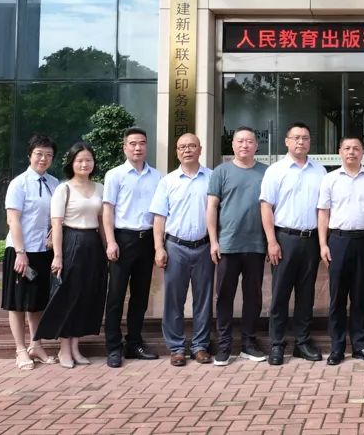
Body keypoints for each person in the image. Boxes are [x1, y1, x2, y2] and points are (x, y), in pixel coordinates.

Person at [33, 141, 108, 368]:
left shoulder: (100, 187)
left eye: (88, 160)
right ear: (72, 163)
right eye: (80, 160)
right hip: (71, 242)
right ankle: (64, 349)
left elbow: (102, 222)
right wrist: (58, 256)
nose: (84, 164)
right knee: (68, 296)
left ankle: (75, 347)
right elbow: (56, 225)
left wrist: (107, 246)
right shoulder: (63, 189)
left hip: (92, 244)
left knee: (85, 296)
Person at [316, 135, 364, 366]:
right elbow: (323, 213)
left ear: (363, 152)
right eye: (347, 148)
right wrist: (323, 244)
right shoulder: (330, 179)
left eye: (356, 148)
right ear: (340, 152)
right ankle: (337, 348)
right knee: (337, 297)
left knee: (359, 296)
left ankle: (360, 346)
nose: (351, 152)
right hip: (338, 241)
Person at [260, 122, 327, 366]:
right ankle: (277, 344)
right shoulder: (275, 171)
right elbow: (266, 206)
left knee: (306, 294)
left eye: (305, 138)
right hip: (284, 239)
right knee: (280, 294)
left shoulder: (320, 171)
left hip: (311, 240)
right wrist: (271, 241)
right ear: (287, 141)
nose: (301, 142)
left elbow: (323, 209)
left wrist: (323, 242)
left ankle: (302, 342)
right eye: (296, 137)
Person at [150, 133, 213, 367]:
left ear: (200, 149)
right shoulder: (167, 181)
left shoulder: (212, 178)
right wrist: (159, 248)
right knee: (174, 300)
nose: (187, 150)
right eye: (182, 147)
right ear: (177, 152)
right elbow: (159, 217)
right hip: (175, 246)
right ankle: (176, 347)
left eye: (192, 146)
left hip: (204, 246)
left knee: (203, 299)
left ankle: (200, 346)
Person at [207, 126, 269, 366]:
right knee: (224, 296)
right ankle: (224, 345)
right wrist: (214, 240)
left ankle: (248, 343)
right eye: (240, 141)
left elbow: (271, 208)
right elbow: (212, 207)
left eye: (249, 141)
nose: (245, 145)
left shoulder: (266, 172)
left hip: (256, 244)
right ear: (232, 145)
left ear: (256, 145)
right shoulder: (221, 172)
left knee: (253, 296)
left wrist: (270, 241)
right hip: (227, 245)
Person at [102, 127, 162, 368]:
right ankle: (113, 347)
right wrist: (110, 241)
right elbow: (108, 210)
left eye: (142, 143)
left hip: (146, 240)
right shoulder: (115, 175)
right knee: (116, 296)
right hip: (122, 239)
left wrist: (158, 244)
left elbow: (159, 213)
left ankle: (134, 343)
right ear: (124, 147)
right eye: (133, 143)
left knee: (140, 296)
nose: (138, 148)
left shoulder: (157, 176)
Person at [2, 134, 59, 370]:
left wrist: (53, 235)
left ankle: (36, 345)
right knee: (17, 302)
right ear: (29, 155)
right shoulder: (19, 183)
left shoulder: (55, 184)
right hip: (20, 250)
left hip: (43, 251)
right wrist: (20, 252)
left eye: (48, 155)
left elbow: (57, 217)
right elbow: (13, 220)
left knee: (37, 302)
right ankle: (20, 350)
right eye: (39, 154)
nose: (43, 159)